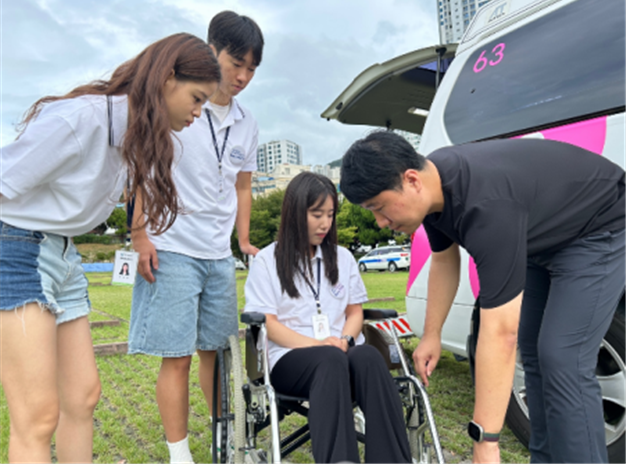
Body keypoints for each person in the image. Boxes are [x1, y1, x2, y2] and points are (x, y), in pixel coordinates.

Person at [339, 130, 625, 463]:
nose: (379, 222)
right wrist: (431, 334)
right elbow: (444, 259)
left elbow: (500, 333)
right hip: (539, 237)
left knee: (562, 357)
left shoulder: (486, 207)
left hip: (597, 226)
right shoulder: (434, 189)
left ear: (412, 180)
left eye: (379, 207)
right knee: (533, 354)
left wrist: (486, 440)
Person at [0, 33, 220, 464]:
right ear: (167, 77)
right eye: (196, 98)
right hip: (17, 250)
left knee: (83, 396)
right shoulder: (82, 119)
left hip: (64, 256)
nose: (198, 113)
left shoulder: (133, 136)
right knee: (37, 416)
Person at [127, 11, 263, 464]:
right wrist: (140, 234)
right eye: (236, 63)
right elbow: (142, 170)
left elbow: (243, 187)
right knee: (177, 356)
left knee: (218, 355)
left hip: (218, 254)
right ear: (211, 50)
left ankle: (227, 441)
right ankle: (179, 454)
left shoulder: (247, 121)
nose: (242, 77)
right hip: (172, 246)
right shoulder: (176, 103)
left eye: (251, 69)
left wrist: (243, 241)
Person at [244, 172, 412, 464]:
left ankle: (392, 460)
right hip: (289, 357)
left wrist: (345, 339)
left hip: (341, 351)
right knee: (329, 358)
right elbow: (268, 323)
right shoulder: (267, 261)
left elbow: (354, 312)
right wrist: (319, 345)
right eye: (316, 214)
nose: (325, 223)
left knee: (369, 356)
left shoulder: (342, 258)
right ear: (295, 213)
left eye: (330, 215)